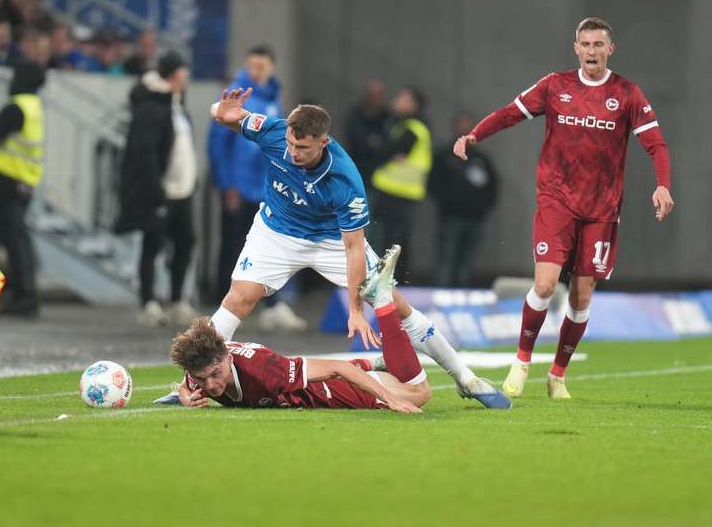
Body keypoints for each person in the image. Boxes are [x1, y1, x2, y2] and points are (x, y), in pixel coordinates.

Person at [154, 87, 510, 409]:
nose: (293, 153)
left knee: (395, 305)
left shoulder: (345, 180)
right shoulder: (275, 132)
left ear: (323, 142)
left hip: (330, 241)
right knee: (238, 299)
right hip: (276, 231)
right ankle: (191, 384)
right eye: (291, 145)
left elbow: (353, 248)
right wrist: (223, 109)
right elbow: (225, 115)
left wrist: (355, 308)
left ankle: (465, 377)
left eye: (303, 148)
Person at [454, 17, 674, 400]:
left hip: (602, 209)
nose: (591, 51)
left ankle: (557, 374)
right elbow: (510, 112)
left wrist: (663, 185)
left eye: (598, 45)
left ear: (610, 49)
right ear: (576, 48)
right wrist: (477, 134)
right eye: (585, 44)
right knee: (544, 284)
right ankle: (522, 362)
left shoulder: (627, 94)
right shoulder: (555, 86)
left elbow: (656, 145)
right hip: (556, 200)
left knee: (582, 297)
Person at [172, 246, 430, 413]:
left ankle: (383, 303)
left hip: (331, 390)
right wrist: (185, 396)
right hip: (310, 383)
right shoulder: (202, 369)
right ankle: (373, 362)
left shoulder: (263, 369)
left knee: (420, 394)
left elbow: (337, 369)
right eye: (203, 379)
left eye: (215, 374)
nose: (211, 385)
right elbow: (187, 383)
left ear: (228, 357)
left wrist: (390, 399)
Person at [207, 45, 306, 331]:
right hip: (240, 184)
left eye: (261, 66)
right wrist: (226, 183)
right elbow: (218, 142)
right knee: (235, 244)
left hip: (267, 186)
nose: (256, 71)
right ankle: (225, 307)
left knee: (273, 244)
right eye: (252, 66)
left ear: (272, 67)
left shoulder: (275, 95)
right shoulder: (237, 94)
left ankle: (272, 305)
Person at [114, 52, 198, 328]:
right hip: (161, 190)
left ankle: (176, 300)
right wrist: (155, 188)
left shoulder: (176, 105)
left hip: (183, 190)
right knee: (153, 246)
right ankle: (148, 302)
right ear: (174, 76)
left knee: (185, 243)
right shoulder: (152, 107)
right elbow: (145, 153)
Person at [0, 59, 46, 317]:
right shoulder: (34, 107)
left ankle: (23, 295)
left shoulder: (16, 108)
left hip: (7, 180)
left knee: (13, 239)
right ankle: (24, 292)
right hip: (24, 182)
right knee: (19, 239)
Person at [369, 86, 432, 282]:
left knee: (393, 242)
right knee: (391, 240)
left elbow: (385, 152)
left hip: (400, 194)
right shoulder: (400, 125)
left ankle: (392, 282)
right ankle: (389, 280)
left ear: (414, 105)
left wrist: (384, 150)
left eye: (402, 98)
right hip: (393, 193)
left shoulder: (413, 130)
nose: (396, 101)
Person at [429, 110, 499, 287]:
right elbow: (433, 183)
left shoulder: (481, 159)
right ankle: (442, 294)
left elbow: (493, 186)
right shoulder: (444, 155)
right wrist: (448, 203)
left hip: (475, 218)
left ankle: (462, 294)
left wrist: (483, 208)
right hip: (451, 216)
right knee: (447, 257)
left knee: (467, 260)